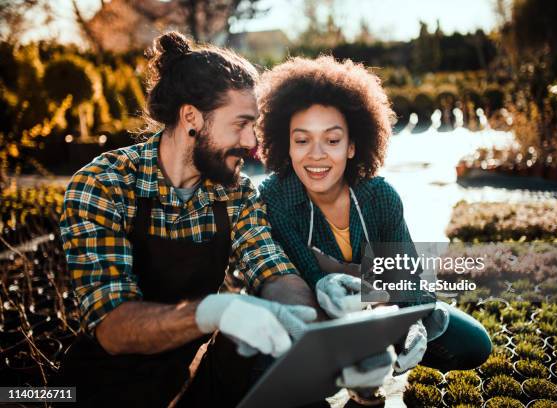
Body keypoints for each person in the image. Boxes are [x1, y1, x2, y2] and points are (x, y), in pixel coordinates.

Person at [57, 33, 393, 408]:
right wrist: (212, 312)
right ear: (192, 119)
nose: (253, 142)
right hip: (107, 389)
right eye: (240, 124)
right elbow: (113, 327)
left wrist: (319, 337)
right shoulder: (105, 184)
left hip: (197, 378)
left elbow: (274, 272)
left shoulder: (235, 192)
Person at [257, 56, 493, 405]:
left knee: (472, 343)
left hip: (380, 316)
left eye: (332, 140)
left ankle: (377, 366)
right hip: (315, 325)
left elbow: (405, 279)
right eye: (302, 140)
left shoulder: (379, 197)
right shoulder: (276, 199)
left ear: (353, 146)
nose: (316, 156)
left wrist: (410, 324)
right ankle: (351, 383)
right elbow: (303, 279)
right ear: (285, 145)